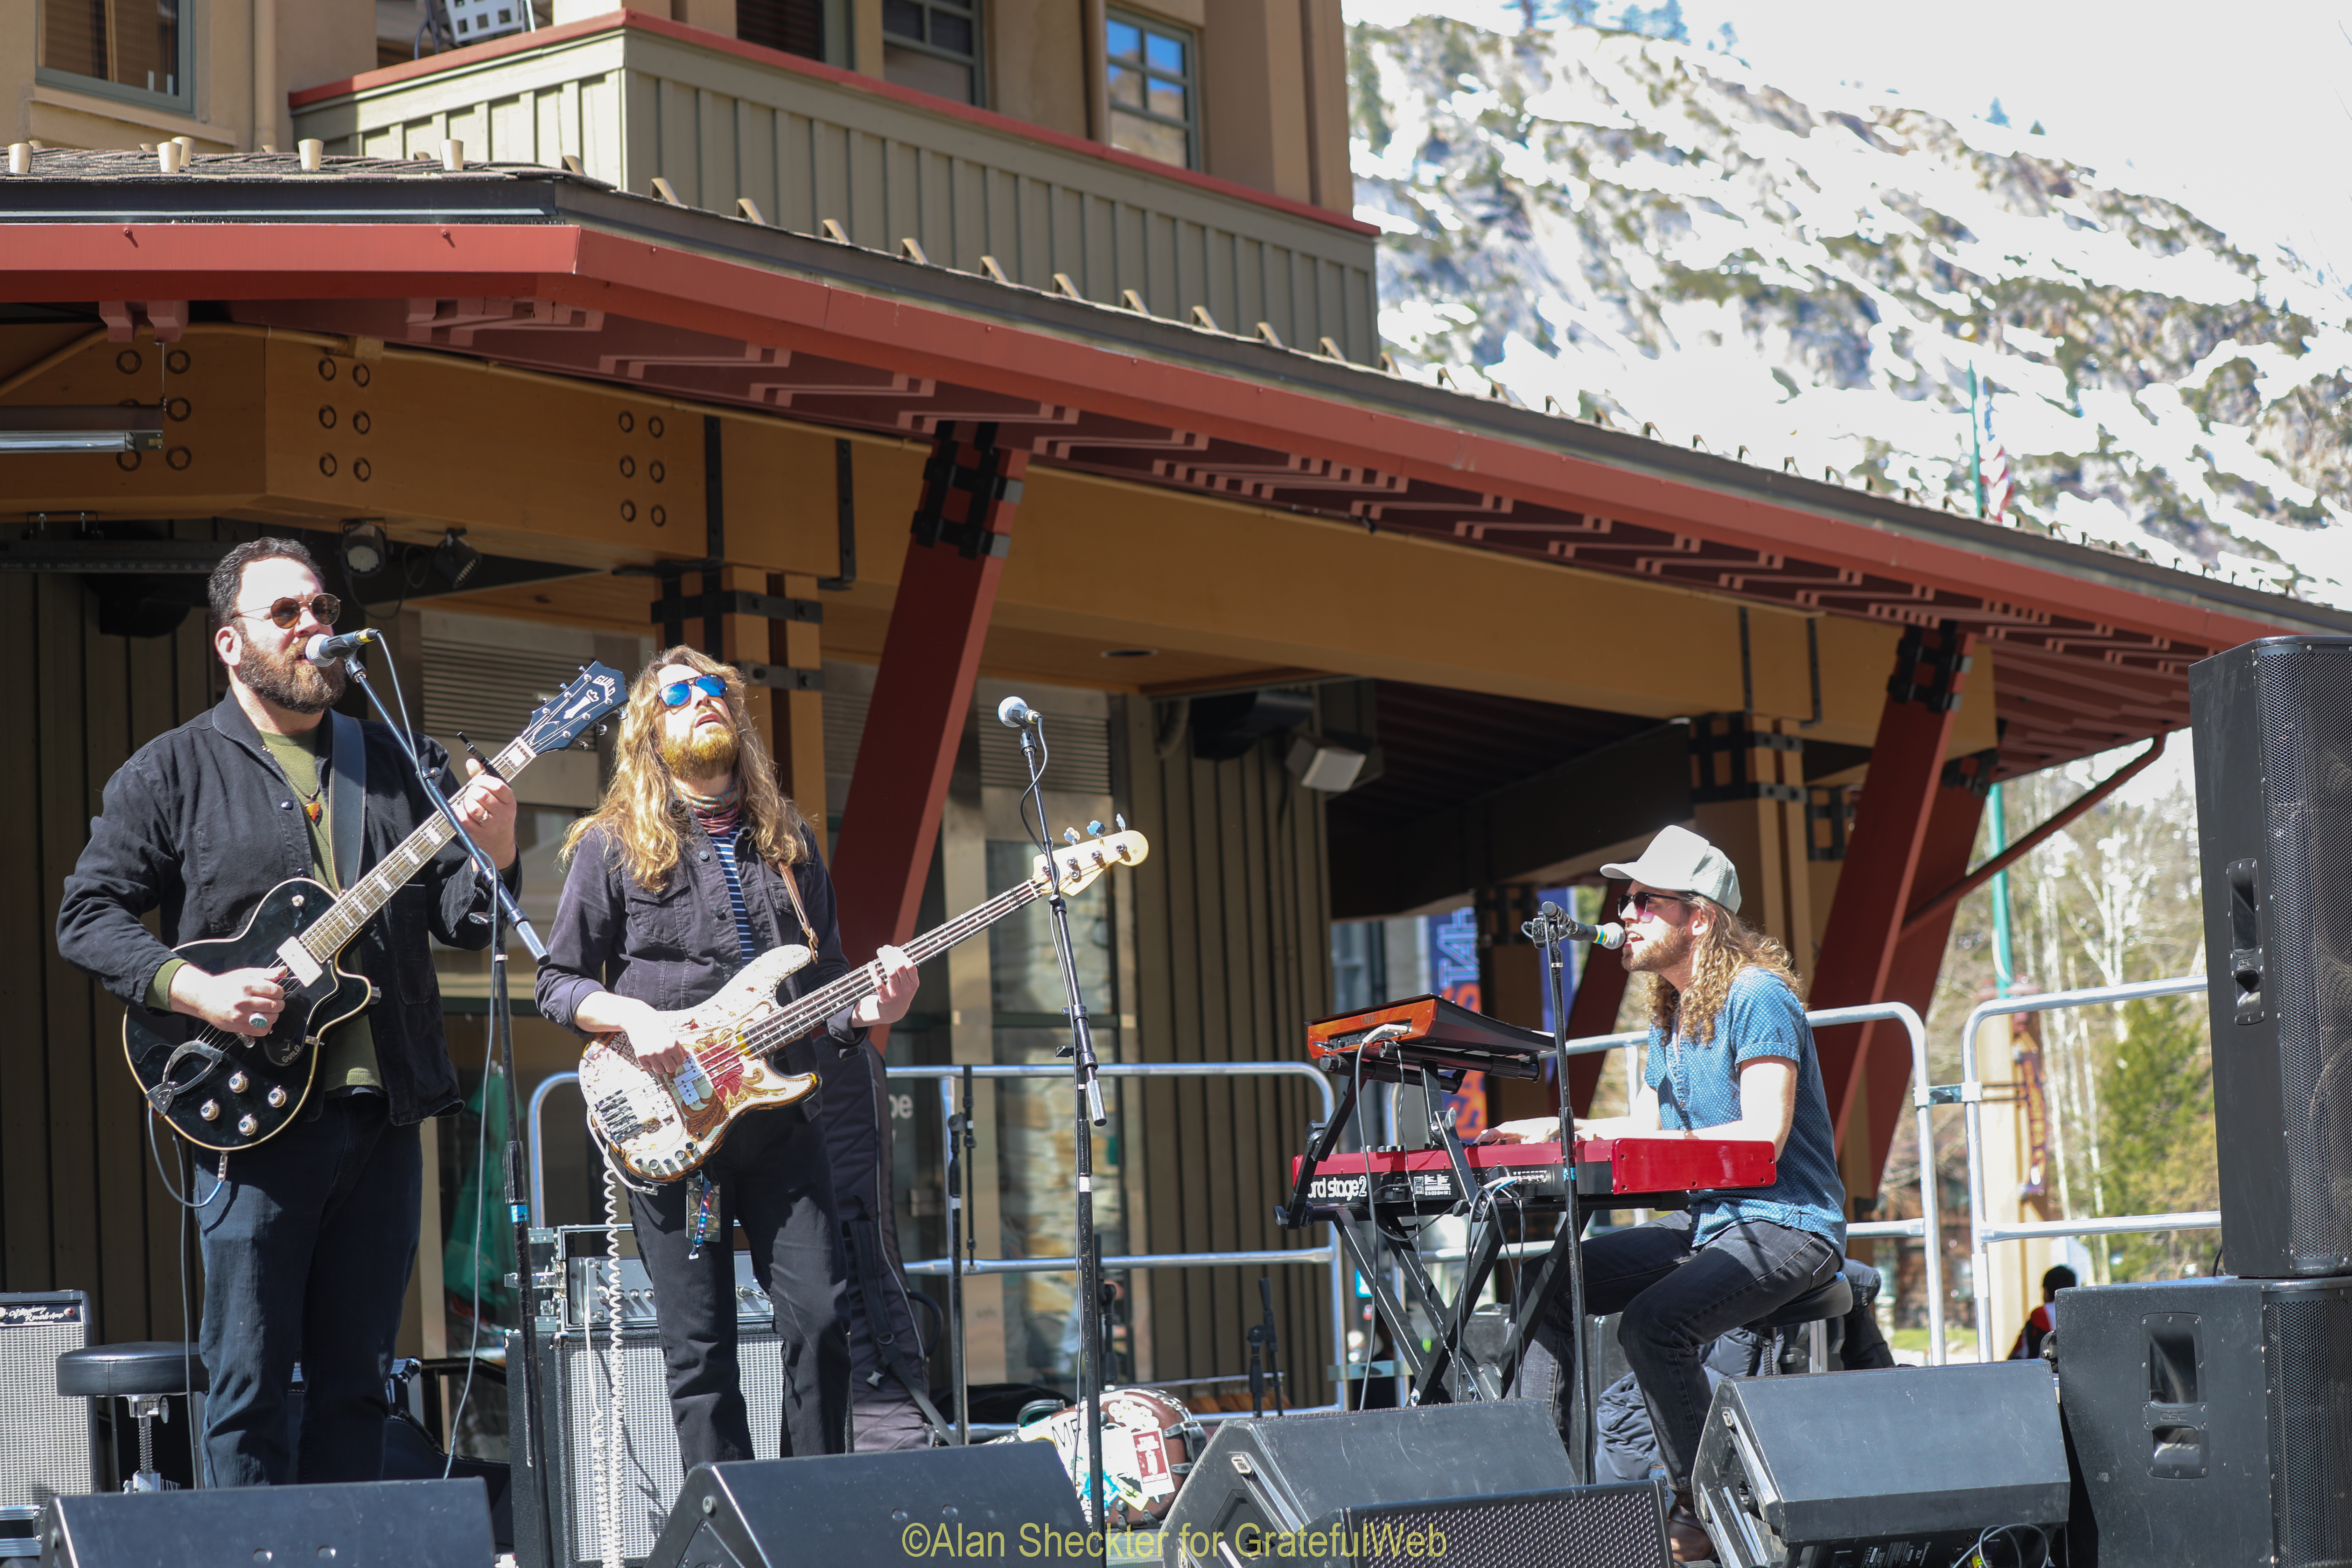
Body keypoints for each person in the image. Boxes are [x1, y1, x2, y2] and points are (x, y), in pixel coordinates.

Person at [56, 536, 519, 1486]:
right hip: (251, 1117)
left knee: (359, 1383)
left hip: (382, 1111)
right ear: (233, 645)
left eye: (321, 608)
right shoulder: (174, 770)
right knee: (251, 1383)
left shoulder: (396, 760)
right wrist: (203, 991)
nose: (316, 627)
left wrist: (498, 849)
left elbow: (468, 921)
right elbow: (87, 916)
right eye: (287, 614)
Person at [535, 648, 918, 1465]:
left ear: (737, 720)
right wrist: (634, 1018)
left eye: (715, 692)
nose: (702, 701)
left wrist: (872, 1010)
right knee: (699, 1352)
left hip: (784, 1125)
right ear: (650, 729)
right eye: (679, 695)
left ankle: (808, 1519)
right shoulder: (612, 846)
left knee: (821, 1324)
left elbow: (828, 984)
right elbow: (559, 982)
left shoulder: (791, 844)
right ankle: (730, 1535)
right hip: (673, 1121)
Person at [1478, 825, 1847, 1563]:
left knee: (1652, 1323)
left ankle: (1707, 1503)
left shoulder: (1759, 994)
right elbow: (1646, 1134)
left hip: (1790, 1223)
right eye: (1627, 897)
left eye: (1646, 899)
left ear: (1699, 914)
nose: (1627, 910)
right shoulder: (1668, 1012)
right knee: (1550, 1283)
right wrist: (1556, 1131)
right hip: (1714, 1224)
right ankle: (1538, 1500)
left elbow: (1762, 1136)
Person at [2009, 1265, 2076, 1359]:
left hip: (2045, 1372)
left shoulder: (2040, 1314)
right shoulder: (2080, 1314)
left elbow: (2020, 1353)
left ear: (2047, 1291)